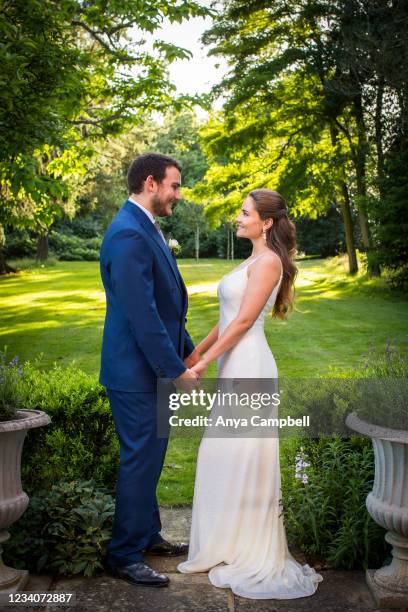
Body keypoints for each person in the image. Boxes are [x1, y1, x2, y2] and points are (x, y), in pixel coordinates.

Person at [177, 189, 323, 599]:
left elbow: (242, 324)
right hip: (234, 365)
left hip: (250, 366)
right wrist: (196, 352)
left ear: (267, 222)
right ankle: (226, 542)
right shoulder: (252, 259)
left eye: (245, 213)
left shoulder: (270, 262)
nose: (238, 218)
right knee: (224, 454)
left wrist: (204, 365)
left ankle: (246, 548)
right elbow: (227, 320)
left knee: (237, 455)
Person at [99, 153, 200, 588]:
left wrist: (190, 351)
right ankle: (123, 553)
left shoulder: (144, 227)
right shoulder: (128, 234)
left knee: (151, 458)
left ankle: (147, 533)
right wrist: (175, 370)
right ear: (150, 182)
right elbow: (142, 317)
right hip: (136, 374)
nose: (178, 194)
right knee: (140, 460)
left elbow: (163, 305)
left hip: (149, 371)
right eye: (174, 186)